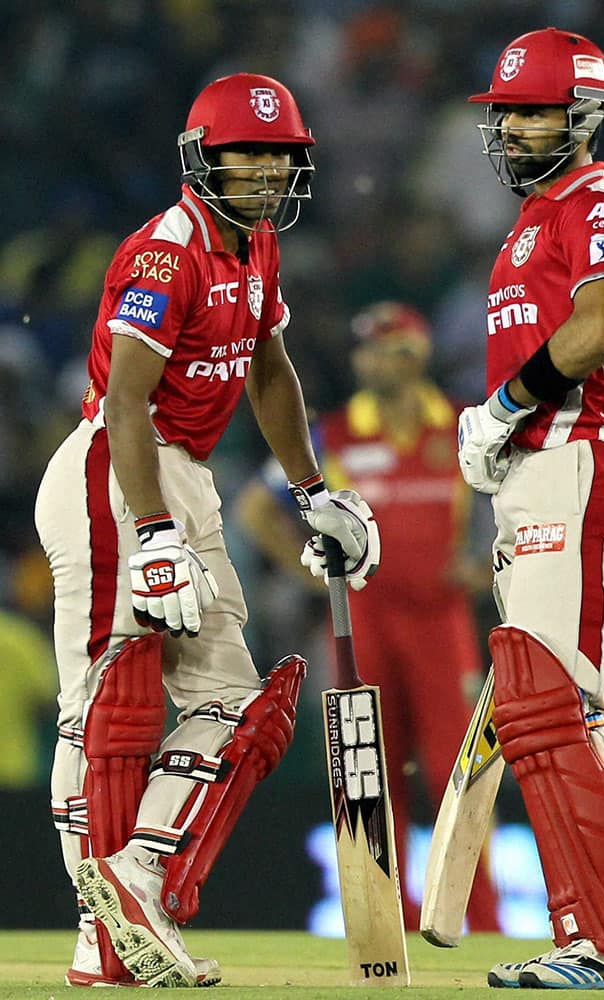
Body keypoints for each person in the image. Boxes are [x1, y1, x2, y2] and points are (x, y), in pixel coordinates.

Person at [34, 73, 379, 988]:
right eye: (247, 153)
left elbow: (270, 371)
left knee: (235, 705)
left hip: (182, 474)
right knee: (102, 711)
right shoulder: (165, 251)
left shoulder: (257, 247)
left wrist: (312, 492)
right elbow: (125, 401)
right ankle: (100, 923)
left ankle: (137, 881)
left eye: (279, 155)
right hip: (118, 466)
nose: (266, 170)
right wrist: (151, 532)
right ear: (203, 159)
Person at [456, 28, 604, 990]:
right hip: (539, 473)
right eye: (504, 113)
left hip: (578, 463)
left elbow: (598, 329)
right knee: (556, 709)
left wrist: (503, 409)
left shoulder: (598, 205)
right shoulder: (534, 218)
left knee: (570, 704)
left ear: (582, 116)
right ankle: (597, 930)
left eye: (530, 111)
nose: (509, 129)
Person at [236, 301, 501, 933]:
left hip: (443, 624)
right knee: (370, 771)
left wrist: (489, 564)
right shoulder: (332, 434)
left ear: (418, 351)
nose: (376, 358)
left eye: (389, 345)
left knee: (458, 773)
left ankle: (481, 920)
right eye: (368, 347)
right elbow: (253, 508)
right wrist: (312, 574)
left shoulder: (462, 427)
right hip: (363, 621)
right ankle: (383, 923)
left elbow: (510, 495)